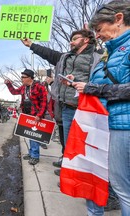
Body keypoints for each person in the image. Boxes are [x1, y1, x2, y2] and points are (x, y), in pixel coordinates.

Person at [70, 1, 130, 215]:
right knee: (111, 183)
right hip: (108, 122)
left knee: (123, 189)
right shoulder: (112, 50)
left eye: (99, 29)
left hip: (123, 125)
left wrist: (95, 88)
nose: (98, 35)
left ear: (118, 19)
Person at [21, 28, 101, 175]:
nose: (71, 41)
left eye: (75, 38)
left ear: (86, 40)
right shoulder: (65, 57)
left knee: (82, 144)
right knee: (68, 141)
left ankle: (75, 172)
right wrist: (31, 45)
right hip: (66, 106)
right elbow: (49, 53)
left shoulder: (97, 57)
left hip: (86, 107)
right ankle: (67, 165)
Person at [5, 69, 47, 165]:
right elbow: (14, 92)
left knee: (34, 136)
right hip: (27, 115)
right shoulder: (24, 87)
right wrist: (8, 84)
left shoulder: (39, 87)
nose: (21, 79)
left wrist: (39, 115)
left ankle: (35, 156)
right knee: (29, 135)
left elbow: (44, 102)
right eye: (21, 77)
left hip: (35, 115)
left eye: (23, 77)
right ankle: (31, 153)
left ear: (30, 78)